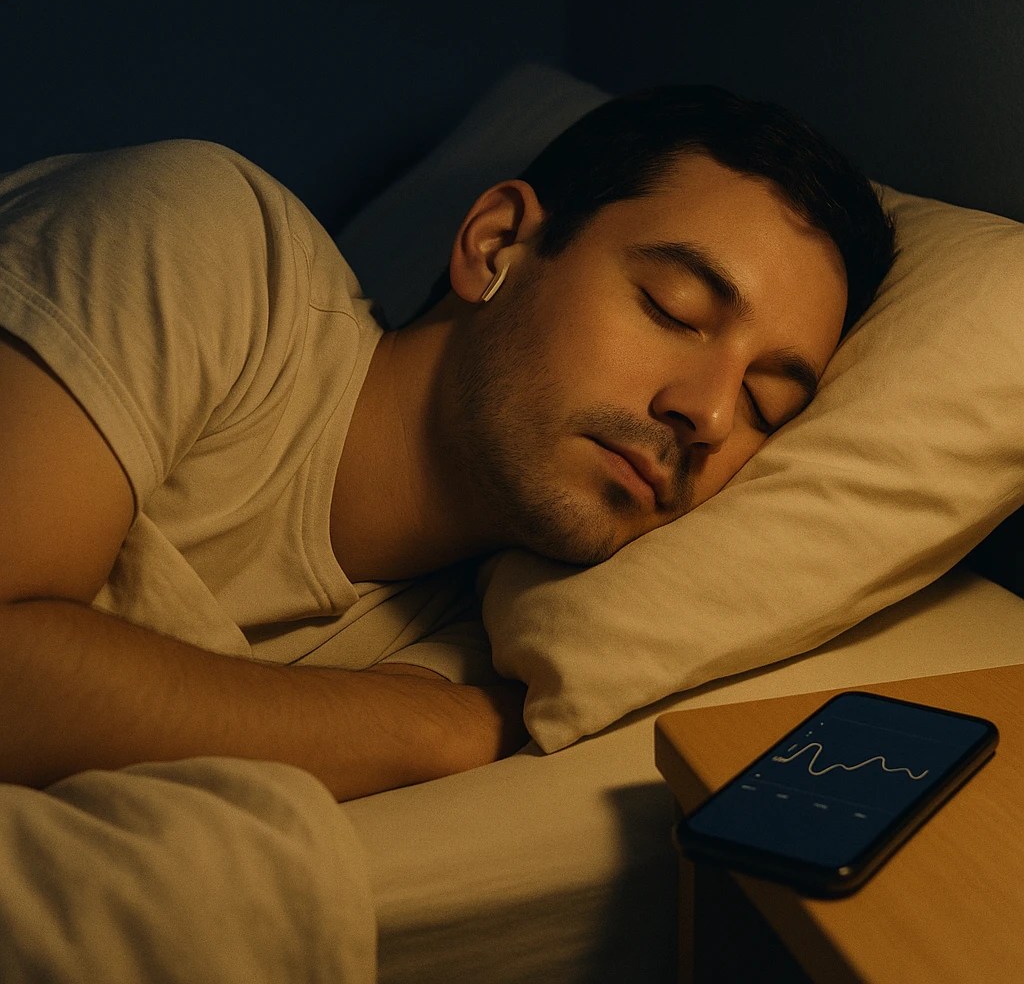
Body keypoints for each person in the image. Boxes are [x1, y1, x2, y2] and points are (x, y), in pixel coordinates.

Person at [0, 86, 895, 801]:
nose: (707, 416)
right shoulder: (207, 241)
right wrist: (429, 726)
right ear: (496, 243)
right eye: (672, 309)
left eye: (766, 405)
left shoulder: (496, 642)